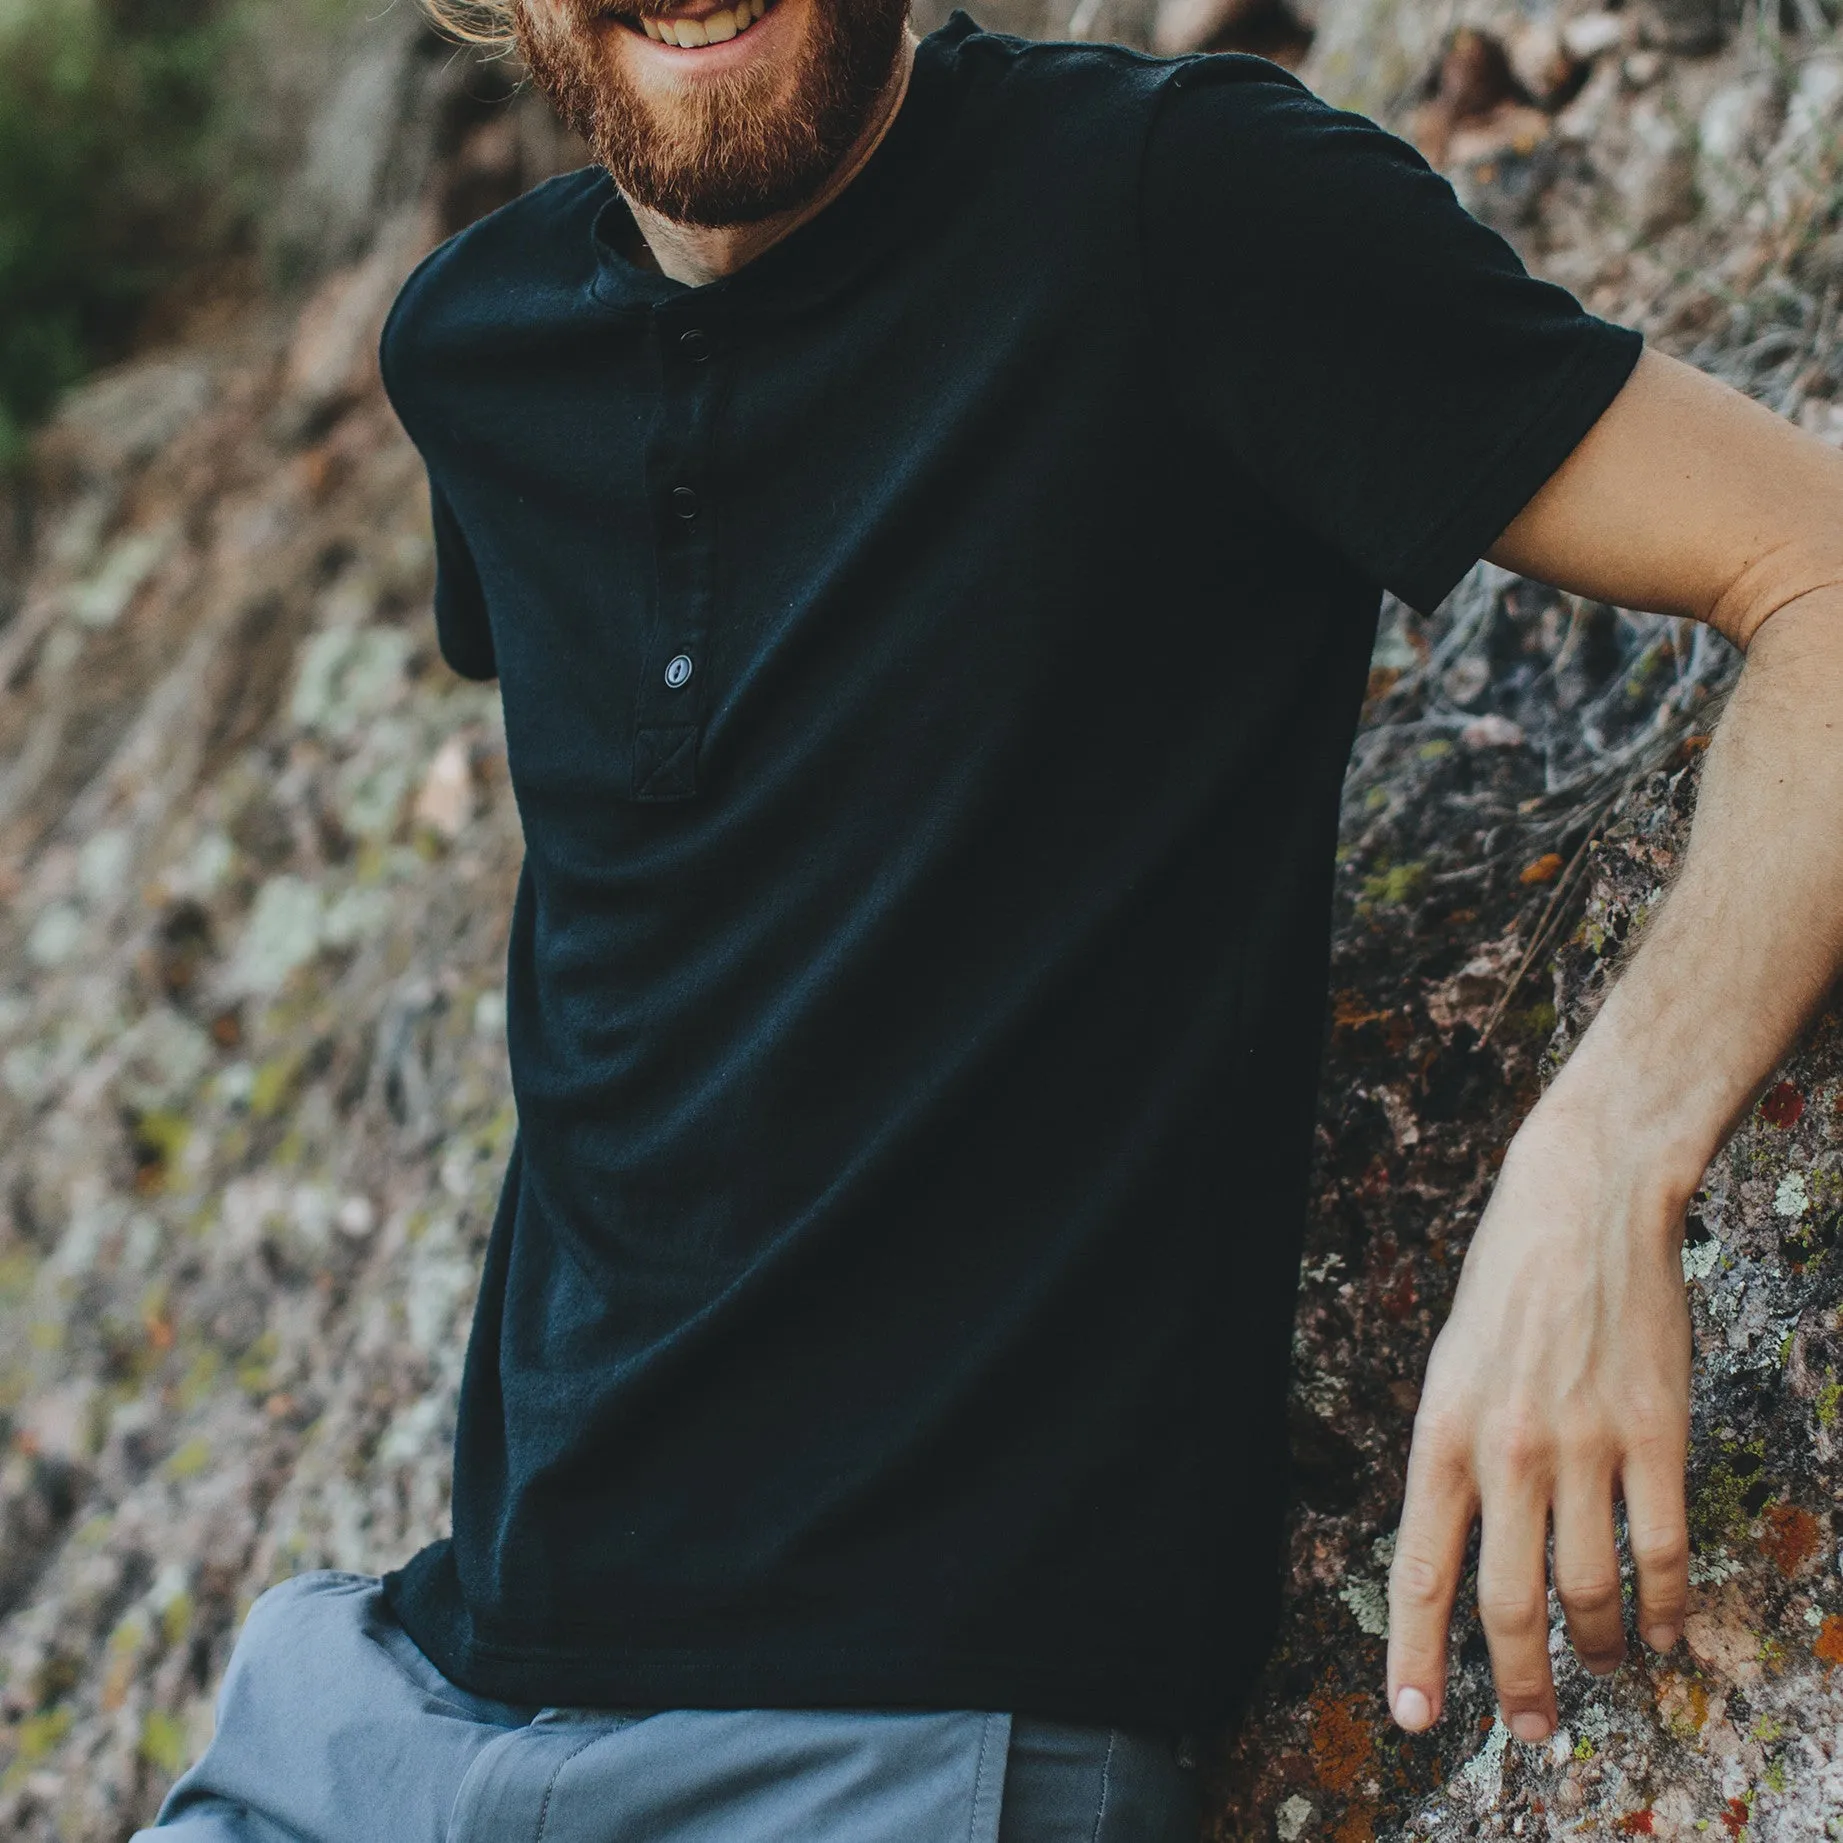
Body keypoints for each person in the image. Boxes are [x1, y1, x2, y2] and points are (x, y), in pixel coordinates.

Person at [135, 0, 1843, 1835]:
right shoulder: (471, 348)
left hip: (883, 1751)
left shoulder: (1177, 205)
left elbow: (1814, 568)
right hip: (394, 1705)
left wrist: (1604, 1156)